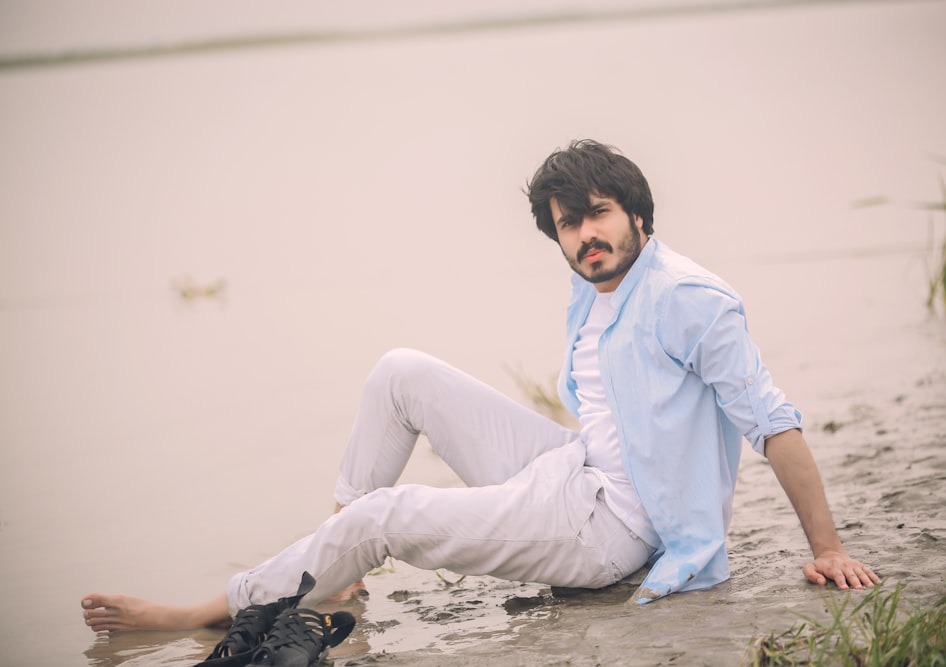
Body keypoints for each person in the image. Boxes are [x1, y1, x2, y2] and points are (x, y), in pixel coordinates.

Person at [81, 139, 879, 635]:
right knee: (401, 371)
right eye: (568, 225)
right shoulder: (598, 287)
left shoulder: (688, 299)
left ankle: (203, 609)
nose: (585, 236)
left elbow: (771, 422)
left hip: (616, 531)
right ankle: (337, 566)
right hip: (574, 471)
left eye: (597, 215)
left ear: (637, 212)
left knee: (386, 513)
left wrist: (828, 548)